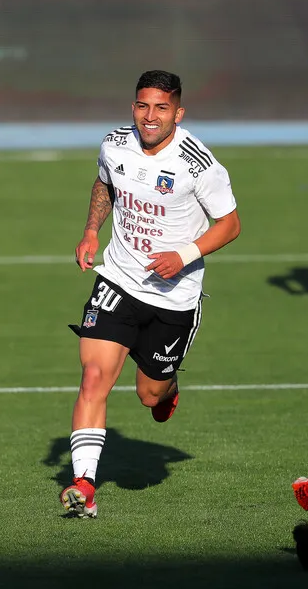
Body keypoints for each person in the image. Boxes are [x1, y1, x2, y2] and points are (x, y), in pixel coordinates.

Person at [61, 70, 241, 518]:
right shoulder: (114, 143)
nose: (150, 116)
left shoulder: (198, 163)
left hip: (174, 297)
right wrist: (89, 231)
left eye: (161, 108)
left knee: (149, 394)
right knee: (93, 378)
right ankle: (84, 482)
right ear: (133, 107)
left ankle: (167, 391)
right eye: (143, 106)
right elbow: (105, 184)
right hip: (119, 279)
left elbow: (230, 225)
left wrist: (183, 255)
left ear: (177, 112)